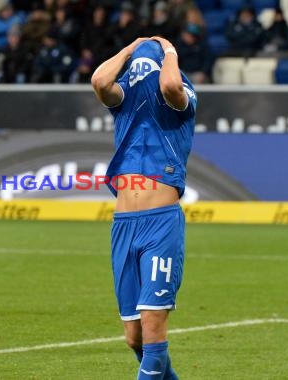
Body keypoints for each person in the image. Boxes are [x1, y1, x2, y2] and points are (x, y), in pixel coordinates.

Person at [91, 36, 196, 379]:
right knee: (134, 338)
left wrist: (168, 50)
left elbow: (168, 84)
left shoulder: (183, 96)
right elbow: (99, 81)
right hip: (123, 223)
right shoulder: (123, 101)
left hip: (160, 225)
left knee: (152, 327)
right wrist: (129, 48)